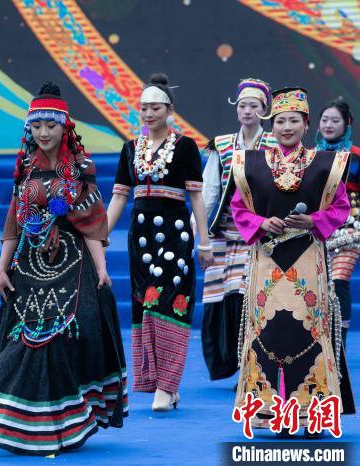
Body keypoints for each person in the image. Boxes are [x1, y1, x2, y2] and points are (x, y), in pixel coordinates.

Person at [0, 82, 128, 455]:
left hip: (73, 261)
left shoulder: (81, 168)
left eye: (50, 125)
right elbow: (14, 221)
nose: (43, 133)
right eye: (37, 126)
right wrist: (2, 268)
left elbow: (93, 222)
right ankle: (23, 426)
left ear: (64, 126)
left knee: (65, 336)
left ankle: (66, 423)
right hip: (29, 263)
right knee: (24, 337)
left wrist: (102, 268)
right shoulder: (25, 167)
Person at [231, 87, 350, 436]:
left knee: (308, 329)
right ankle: (271, 411)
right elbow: (238, 208)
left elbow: (340, 208)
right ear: (273, 125)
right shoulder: (251, 164)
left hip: (308, 258)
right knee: (268, 331)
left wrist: (312, 220)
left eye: (294, 121)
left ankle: (312, 413)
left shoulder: (325, 164)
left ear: (306, 124)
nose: (286, 127)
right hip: (266, 260)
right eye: (281, 121)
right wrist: (260, 223)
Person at [107, 73, 213, 411]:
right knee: (145, 305)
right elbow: (119, 197)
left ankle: (167, 386)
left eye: (155, 107)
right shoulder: (130, 148)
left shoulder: (185, 146)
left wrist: (204, 241)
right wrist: (101, 235)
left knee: (169, 302)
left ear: (170, 110)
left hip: (175, 235)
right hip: (140, 238)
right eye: (144, 108)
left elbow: (196, 198)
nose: (149, 113)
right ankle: (156, 381)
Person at [200, 78, 277, 381]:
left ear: (264, 110)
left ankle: (253, 366)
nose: (247, 111)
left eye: (253, 106)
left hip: (258, 234)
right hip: (224, 233)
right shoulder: (221, 145)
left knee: (248, 297)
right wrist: (201, 236)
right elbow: (209, 192)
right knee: (221, 299)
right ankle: (233, 363)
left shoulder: (274, 144)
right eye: (243, 105)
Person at [317, 99, 359, 347]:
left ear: (347, 124)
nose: (329, 125)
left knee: (339, 281)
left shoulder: (356, 156)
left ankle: (338, 345)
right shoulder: (310, 156)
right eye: (325, 120)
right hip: (317, 229)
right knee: (320, 287)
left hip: (349, 231)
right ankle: (322, 346)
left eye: (335, 120)